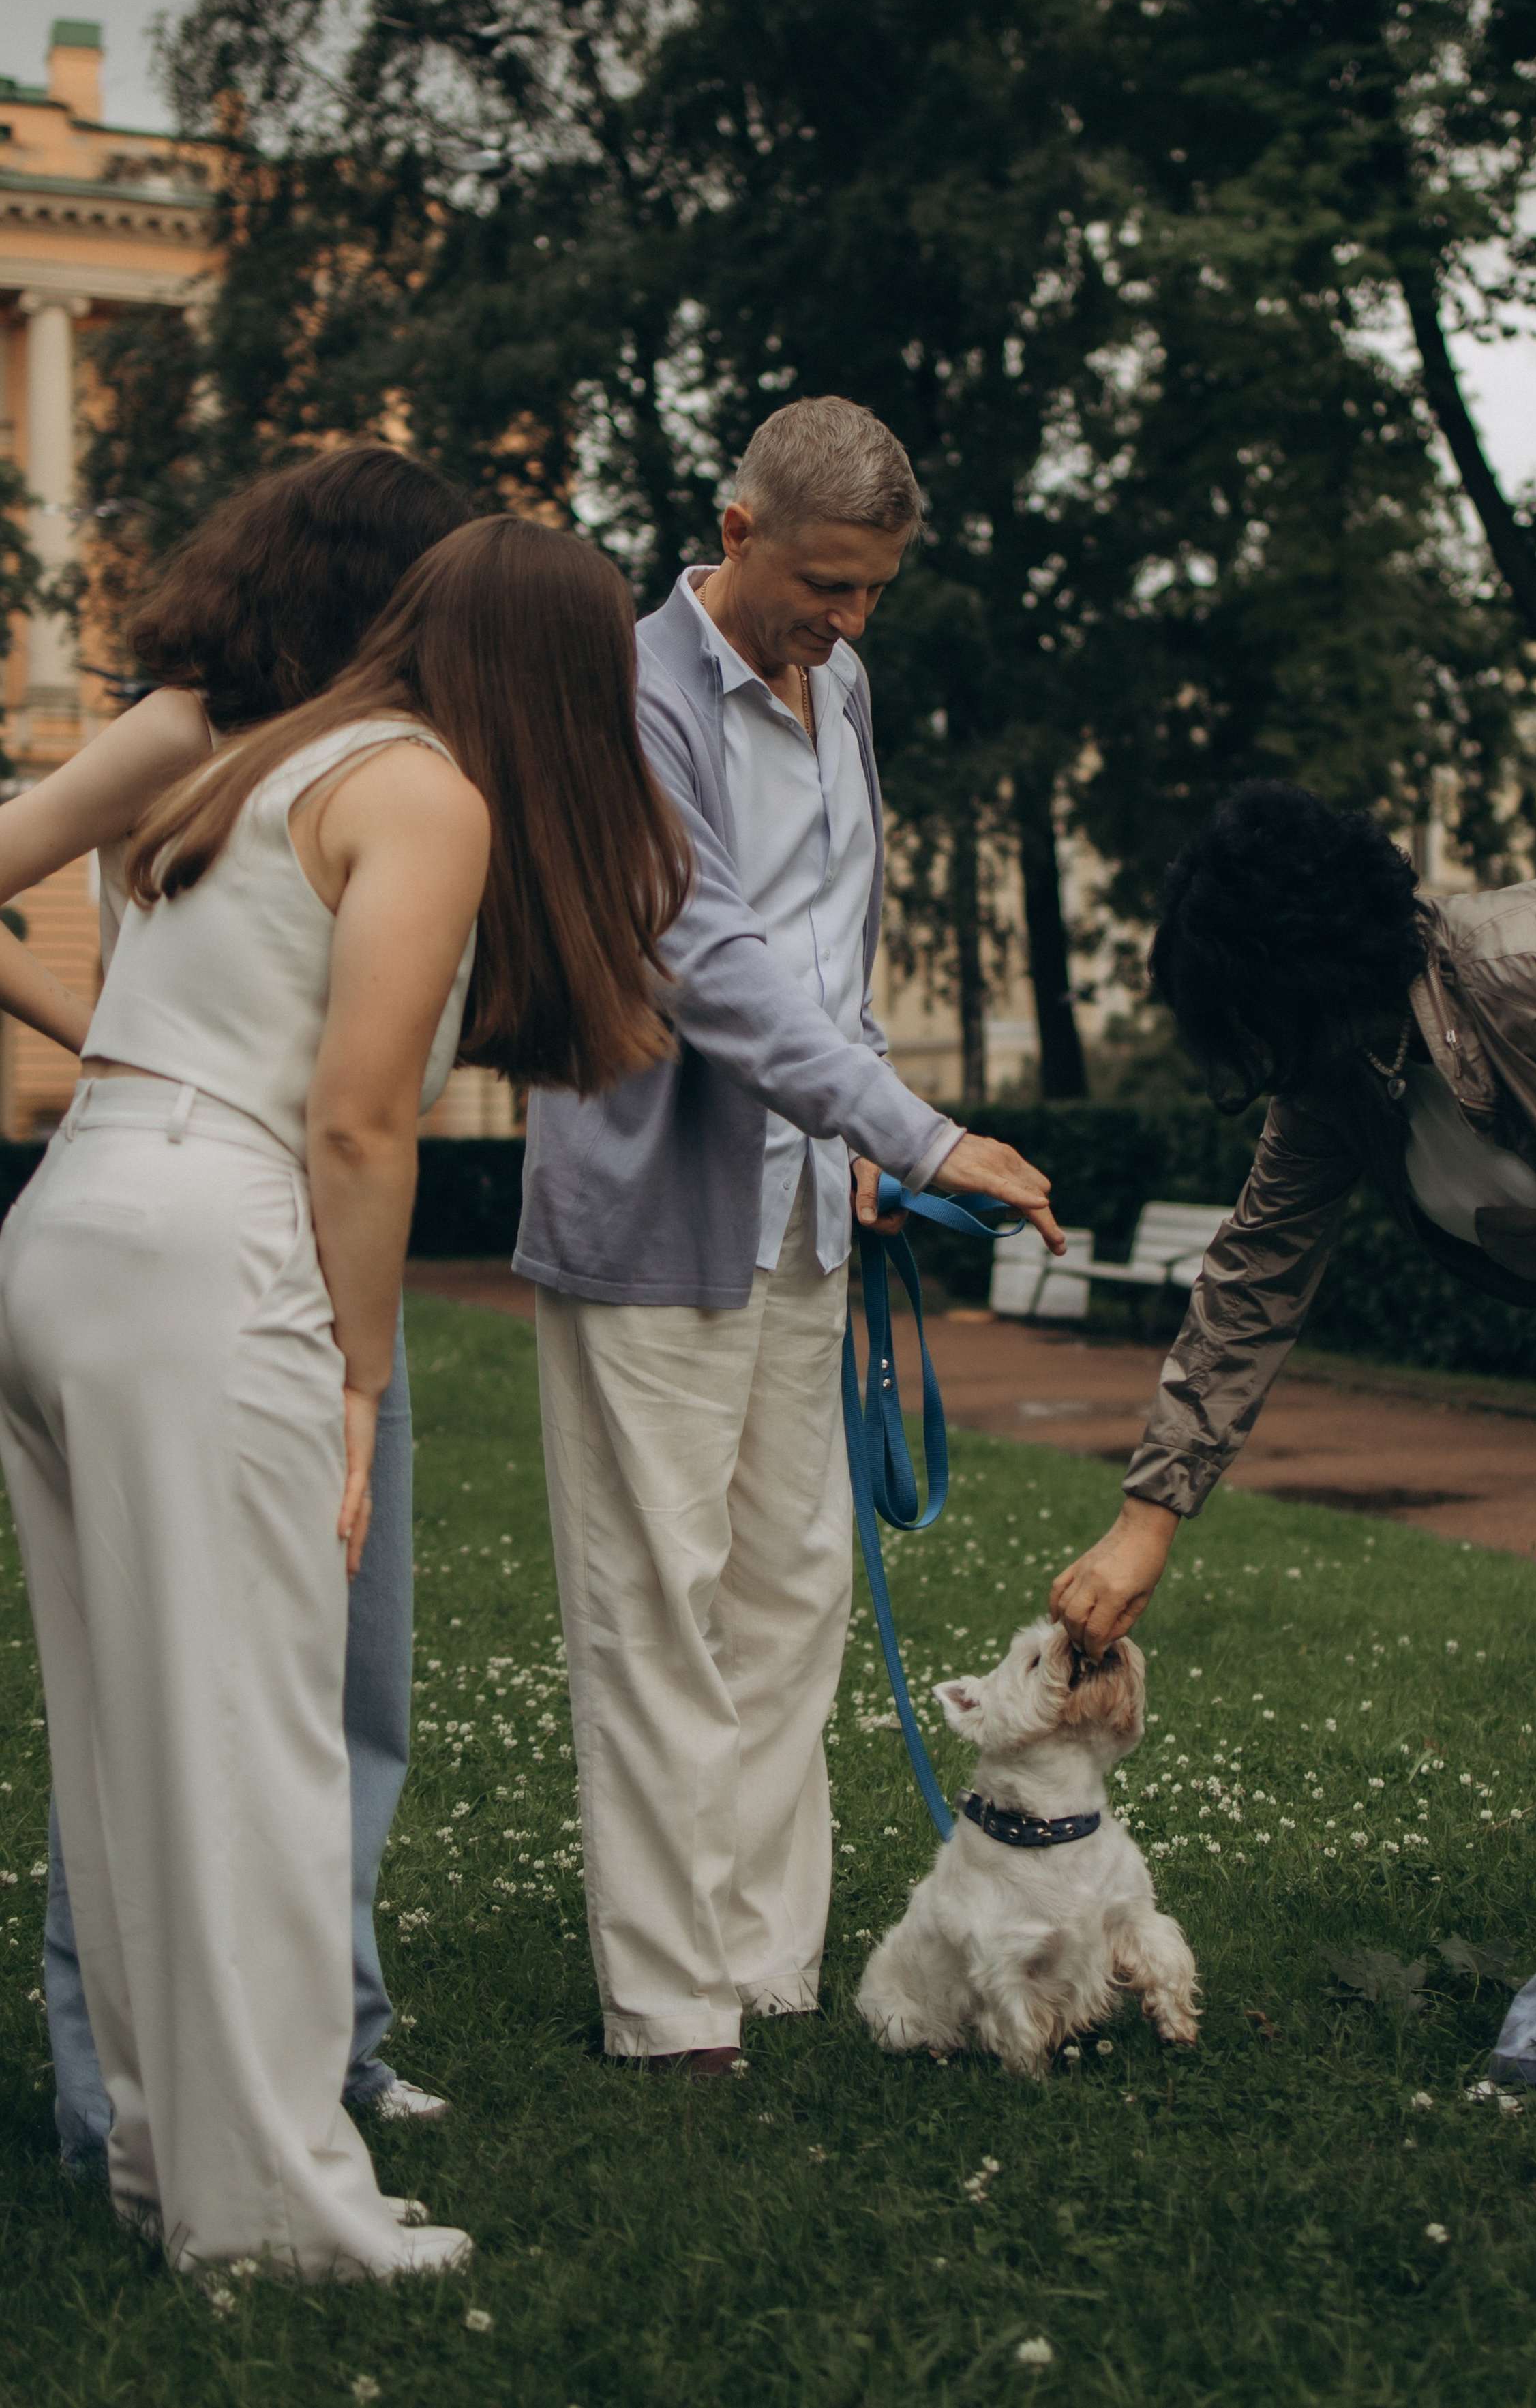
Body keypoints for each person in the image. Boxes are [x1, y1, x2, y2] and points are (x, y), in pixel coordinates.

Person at [0, 514, 690, 2274]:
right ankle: (282, 2209)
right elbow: (358, 1118)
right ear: (560, 681)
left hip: (68, 1227)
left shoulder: (259, 752)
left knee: (131, 1749)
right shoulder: (429, 791)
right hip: (206, 1246)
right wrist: (362, 1372)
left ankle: (167, 2160)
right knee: (252, 1749)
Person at [1049, 777, 1536, 2134]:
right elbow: (1250, 1281)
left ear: (1306, 975)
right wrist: (1149, 1517)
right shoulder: (1337, 1087)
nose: (1247, 1059)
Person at [517, 396, 1062, 2072]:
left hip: (809, 1216)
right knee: (654, 1601)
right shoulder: (626, 685)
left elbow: (833, 949)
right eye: (825, 584)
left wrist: (866, 1145)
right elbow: (709, 952)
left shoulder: (845, 685)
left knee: (792, 1593)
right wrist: (920, 1127)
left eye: (873, 594)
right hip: (653, 1210)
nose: (845, 622)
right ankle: (665, 1997)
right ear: (736, 530)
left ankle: (764, 1960)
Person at [0, 449, 473, 2172]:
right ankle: (117, 2089)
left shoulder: (362, 765)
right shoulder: (200, 727)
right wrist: (103, 1047)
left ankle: (313, 2042)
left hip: (279, 1235)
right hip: (223, 1234)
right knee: (171, 1681)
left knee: (341, 1676)